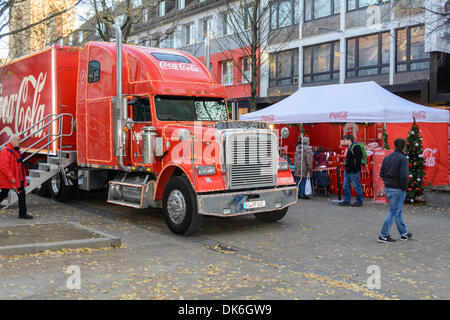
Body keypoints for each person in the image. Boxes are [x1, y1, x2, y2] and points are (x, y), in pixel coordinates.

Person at [378, 138, 412, 243]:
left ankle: (404, 233)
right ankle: (383, 235)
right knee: (393, 212)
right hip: (398, 189)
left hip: (388, 188)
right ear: (404, 146)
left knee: (397, 211)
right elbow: (404, 176)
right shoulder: (403, 159)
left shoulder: (387, 158)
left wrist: (388, 182)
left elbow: (381, 173)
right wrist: (405, 188)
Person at [0, 134, 32, 219]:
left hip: (17, 179)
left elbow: (19, 166)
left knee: (21, 195)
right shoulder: (5, 151)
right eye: (18, 140)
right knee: (4, 194)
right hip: (11, 179)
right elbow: (4, 167)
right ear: (12, 141)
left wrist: (21, 179)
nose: (19, 142)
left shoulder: (15, 151)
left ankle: (22, 213)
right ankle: (22, 214)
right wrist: (11, 178)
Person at [339, 134, 364, 207]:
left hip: (353, 171)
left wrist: (355, 169)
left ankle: (359, 201)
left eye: (345, 140)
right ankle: (347, 201)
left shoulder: (356, 147)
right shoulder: (349, 147)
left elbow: (358, 160)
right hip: (348, 170)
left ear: (349, 140)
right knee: (346, 186)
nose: (344, 141)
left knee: (357, 186)